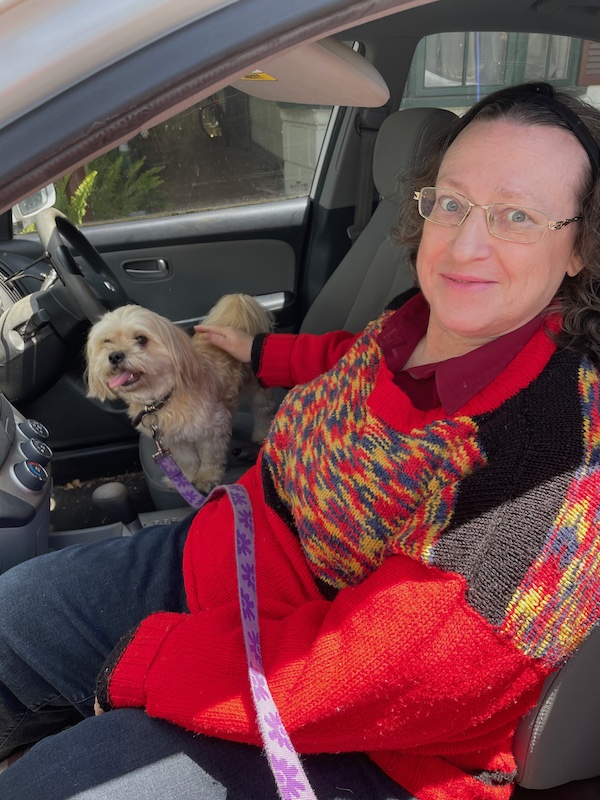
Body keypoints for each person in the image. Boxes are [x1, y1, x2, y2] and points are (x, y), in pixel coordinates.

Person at [1, 80, 600, 800]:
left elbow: (393, 674)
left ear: (579, 247)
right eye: (451, 202)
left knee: (56, 785)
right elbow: (350, 356)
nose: (465, 243)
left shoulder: (554, 455)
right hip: (223, 558)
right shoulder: (414, 318)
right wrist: (260, 354)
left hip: (362, 736)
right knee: (11, 614)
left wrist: (151, 664)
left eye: (517, 215)